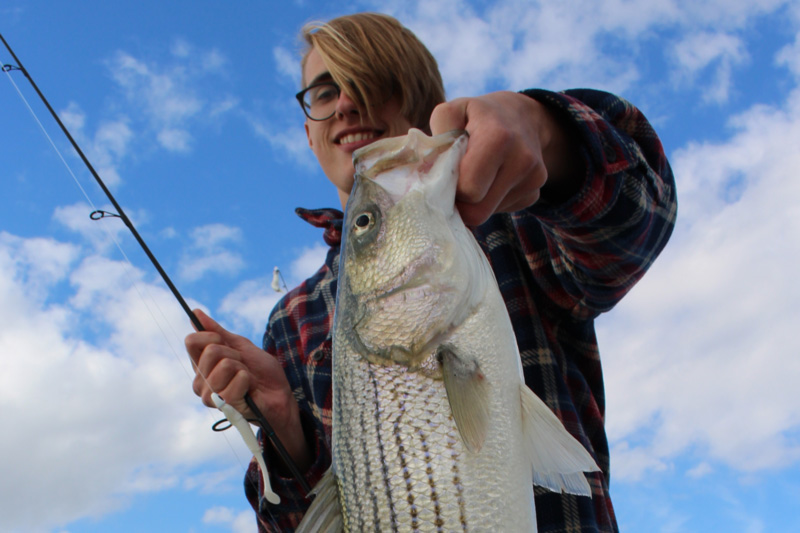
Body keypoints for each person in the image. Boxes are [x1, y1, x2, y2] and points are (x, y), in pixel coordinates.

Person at [184, 12, 677, 533]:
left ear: (423, 103)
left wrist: (546, 132)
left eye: (366, 81)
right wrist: (285, 430)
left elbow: (637, 223)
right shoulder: (290, 317)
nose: (346, 103)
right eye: (325, 93)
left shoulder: (515, 220)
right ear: (309, 132)